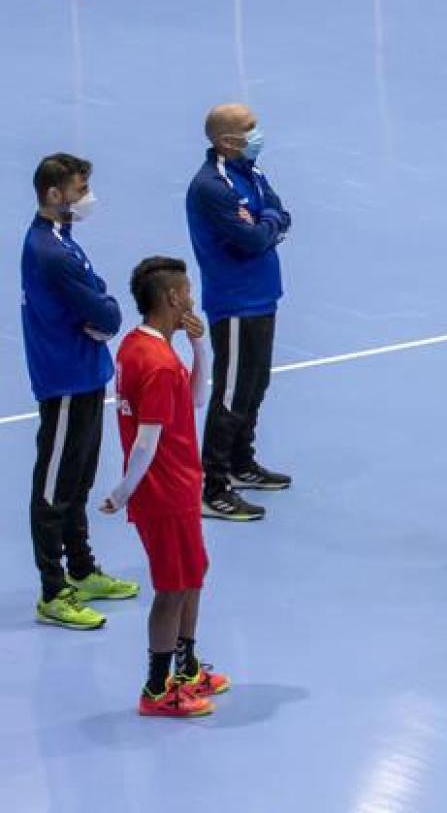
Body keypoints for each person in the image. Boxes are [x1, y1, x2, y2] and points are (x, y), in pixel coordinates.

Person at [99, 257, 232, 717]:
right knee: (172, 587)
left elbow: (195, 399)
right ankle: (156, 690)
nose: (192, 299)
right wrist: (123, 492)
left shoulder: (138, 346)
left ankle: (186, 668)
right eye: (188, 291)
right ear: (173, 297)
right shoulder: (157, 364)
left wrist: (199, 347)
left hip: (179, 485)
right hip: (165, 492)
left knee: (193, 573)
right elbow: (146, 442)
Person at [22, 153, 138, 630]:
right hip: (65, 380)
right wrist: (103, 311)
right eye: (79, 189)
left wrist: (100, 305)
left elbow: (99, 294)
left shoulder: (62, 240)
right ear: (55, 194)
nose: (86, 197)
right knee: (54, 488)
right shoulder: (50, 251)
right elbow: (107, 313)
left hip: (86, 373)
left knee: (79, 479)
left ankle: (83, 570)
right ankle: (53, 592)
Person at [186, 104, 293, 521]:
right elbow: (252, 240)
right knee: (231, 393)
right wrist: (266, 226)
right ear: (226, 141)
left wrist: (265, 221)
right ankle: (213, 488)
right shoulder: (212, 187)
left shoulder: (251, 171)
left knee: (255, 384)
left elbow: (280, 214)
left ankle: (239, 462)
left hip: (263, 295)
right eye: (249, 129)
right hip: (234, 303)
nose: (257, 133)